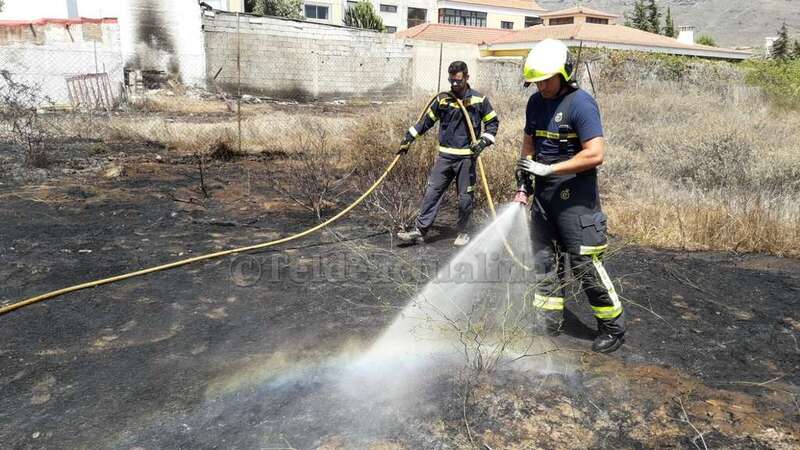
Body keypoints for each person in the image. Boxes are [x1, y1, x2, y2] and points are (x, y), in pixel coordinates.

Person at [514, 39, 625, 353]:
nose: (541, 87)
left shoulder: (581, 104)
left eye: (546, 80)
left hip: (576, 200)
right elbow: (528, 145)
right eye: (536, 82)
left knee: (583, 264)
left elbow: (596, 153)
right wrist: (524, 181)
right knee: (543, 261)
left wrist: (551, 170)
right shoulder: (535, 103)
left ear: (564, 74)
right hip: (544, 201)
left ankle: (612, 328)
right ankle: (549, 320)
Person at [396, 61, 499, 247]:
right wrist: (408, 139)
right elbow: (426, 121)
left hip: (466, 158)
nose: (454, 85)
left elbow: (493, 123)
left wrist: (483, 141)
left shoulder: (479, 100)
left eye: (458, 81)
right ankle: (420, 231)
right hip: (445, 157)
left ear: (467, 77)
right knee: (431, 193)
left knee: (465, 198)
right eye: (451, 80)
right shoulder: (443, 100)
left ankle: (464, 232)